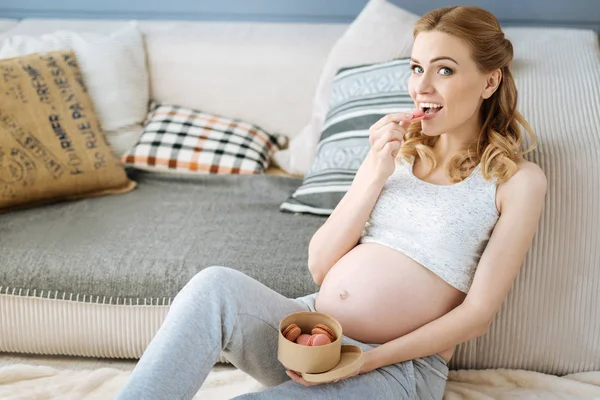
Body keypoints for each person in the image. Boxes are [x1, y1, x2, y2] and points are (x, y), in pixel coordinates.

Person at [116, 5, 547, 400]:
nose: (422, 86)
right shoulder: (393, 153)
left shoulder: (517, 182)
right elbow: (321, 265)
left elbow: (477, 315)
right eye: (416, 68)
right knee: (213, 287)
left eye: (445, 70)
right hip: (310, 332)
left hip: (397, 368)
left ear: (490, 80)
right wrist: (375, 171)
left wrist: (366, 360)